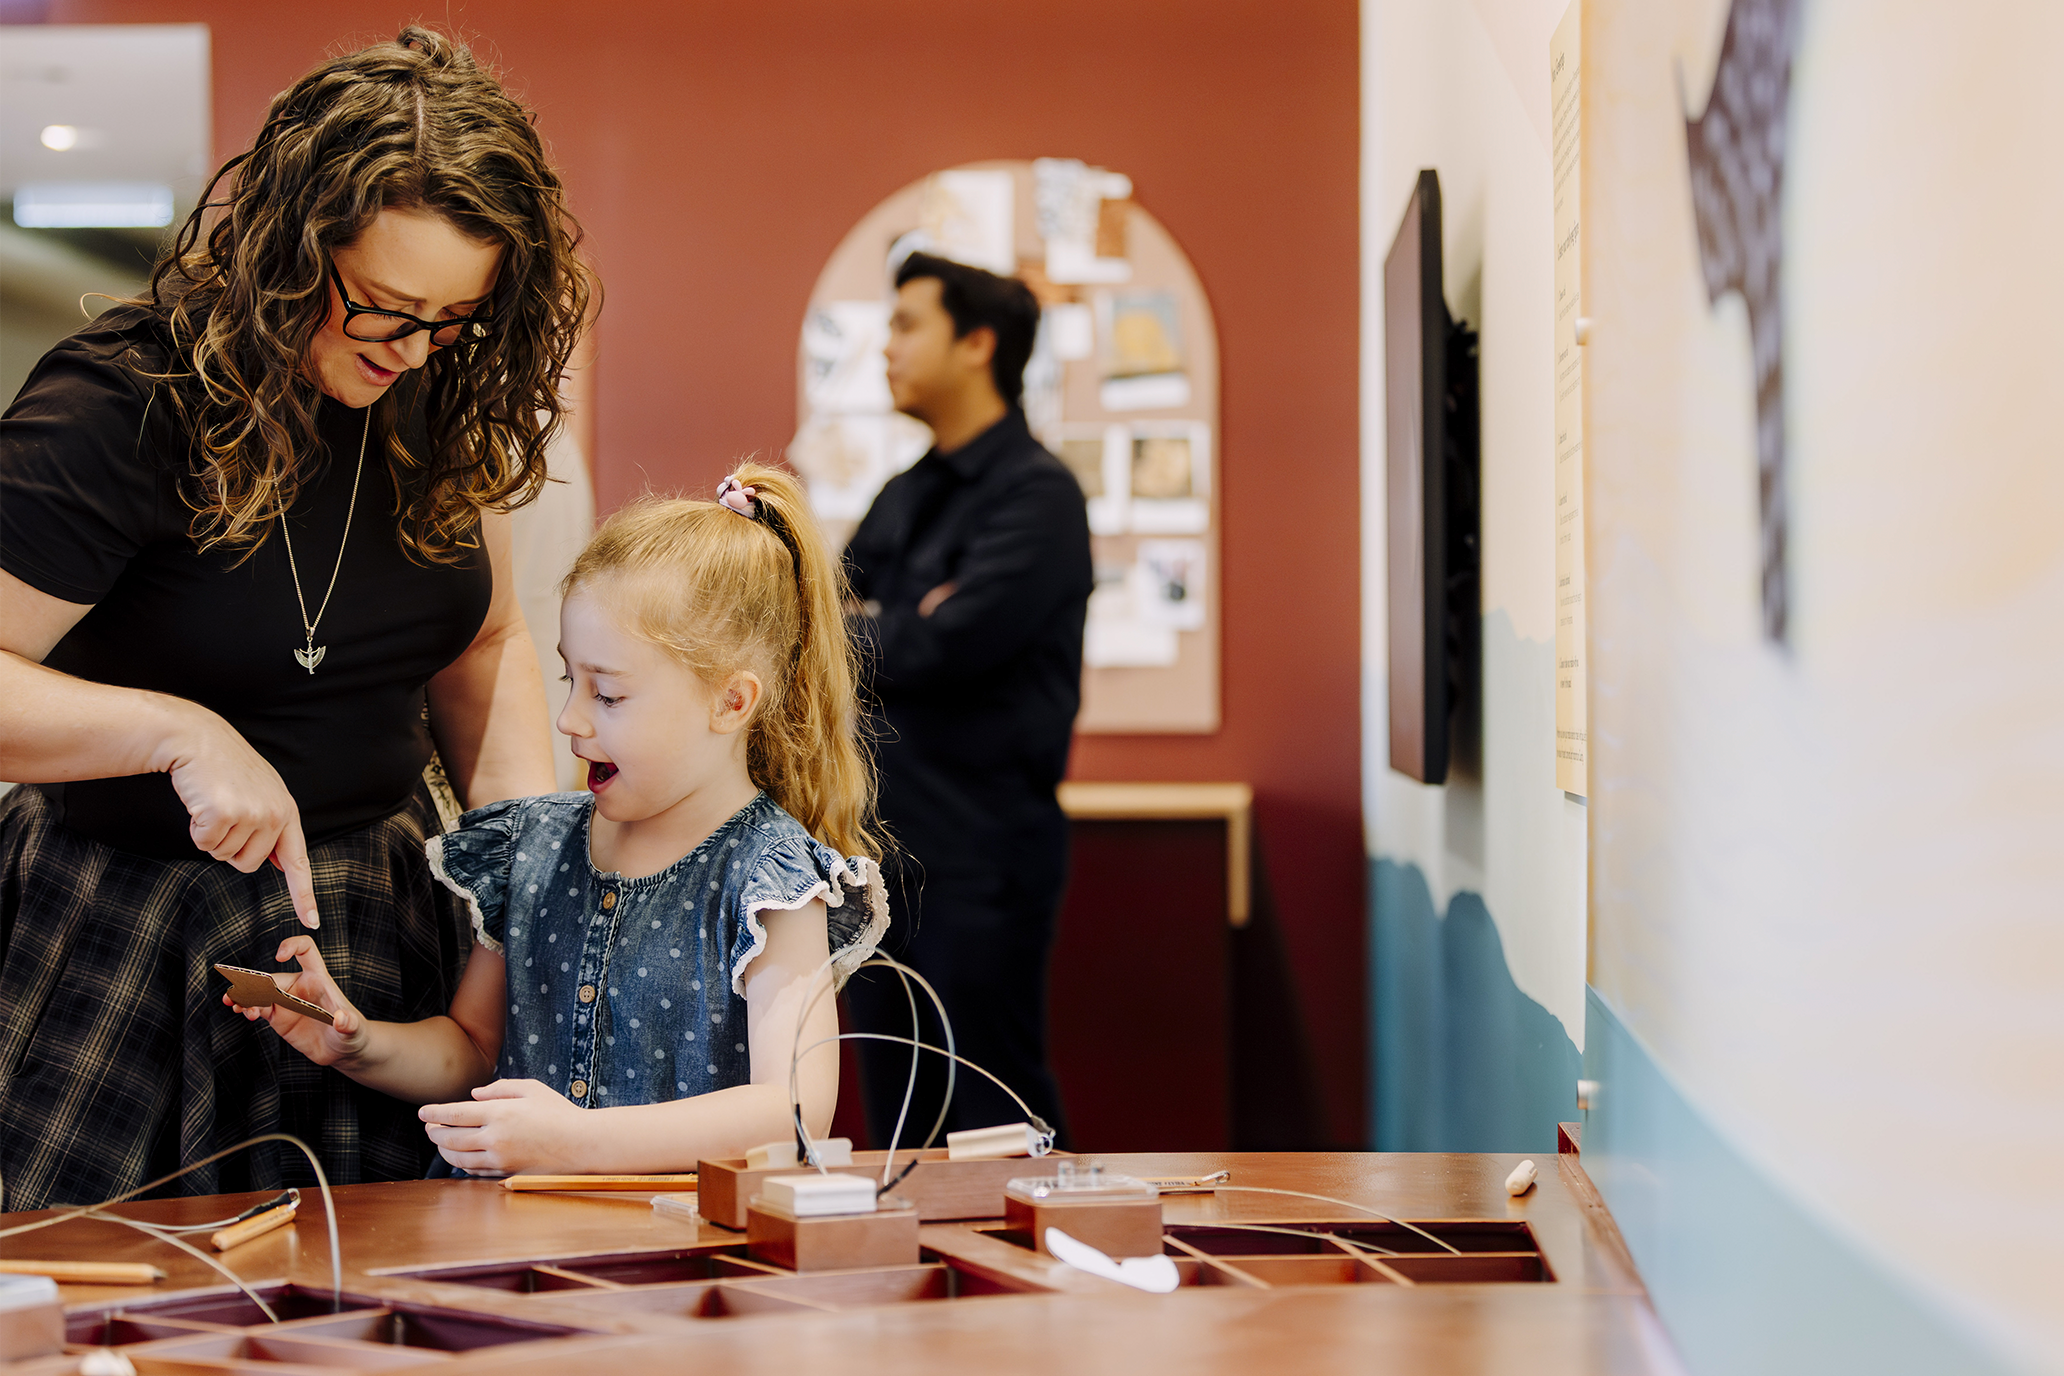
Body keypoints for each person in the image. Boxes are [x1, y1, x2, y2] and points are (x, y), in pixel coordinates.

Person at [0, 28, 586, 1209]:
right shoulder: (121, 403)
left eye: (454, 318)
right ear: (285, 246)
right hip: (131, 917)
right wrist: (180, 733)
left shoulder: (438, 402)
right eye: (382, 307)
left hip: (378, 911)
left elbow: (487, 644)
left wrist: (527, 865)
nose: (413, 350)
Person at [228, 469, 888, 1173]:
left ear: (730, 703)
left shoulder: (773, 881)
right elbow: (475, 1051)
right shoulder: (531, 847)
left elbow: (790, 1112)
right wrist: (359, 1041)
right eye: (572, 680)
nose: (569, 720)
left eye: (608, 695)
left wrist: (570, 1143)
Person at [842, 252, 1092, 1145]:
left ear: (978, 343)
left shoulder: (1039, 496)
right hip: (879, 851)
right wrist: (898, 624)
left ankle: (1030, 1287)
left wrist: (894, 626)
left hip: (982, 858)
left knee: (987, 1109)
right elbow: (820, 624)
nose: (887, 346)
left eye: (909, 324)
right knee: (898, 1114)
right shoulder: (907, 492)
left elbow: (943, 645)